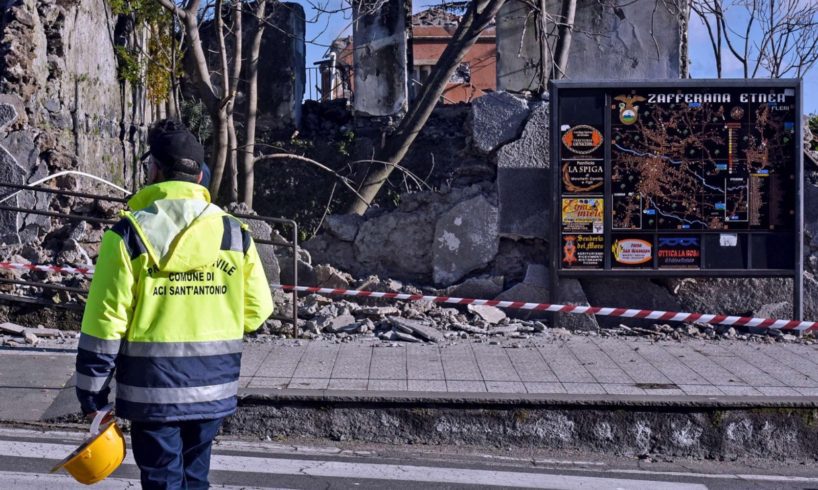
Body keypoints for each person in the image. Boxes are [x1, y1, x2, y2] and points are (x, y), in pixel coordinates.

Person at [75, 119, 273, 489]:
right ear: (199, 176)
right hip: (214, 389)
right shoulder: (233, 233)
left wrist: (91, 395)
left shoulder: (128, 234)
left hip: (152, 395)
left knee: (163, 479)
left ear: (155, 170)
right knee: (195, 477)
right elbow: (257, 312)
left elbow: (105, 324)